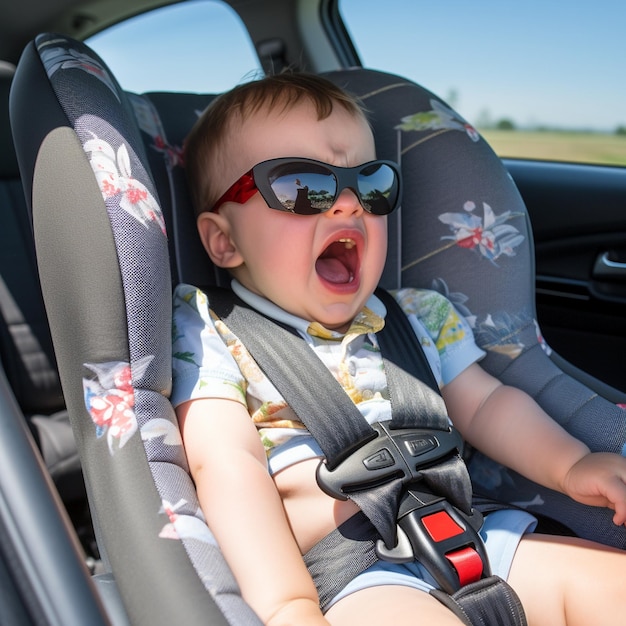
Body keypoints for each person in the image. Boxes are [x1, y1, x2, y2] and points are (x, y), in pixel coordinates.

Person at [172, 73, 626, 626]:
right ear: (224, 240)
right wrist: (286, 604)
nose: (346, 205)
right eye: (301, 187)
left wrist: (572, 464)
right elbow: (226, 466)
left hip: (472, 535)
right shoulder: (211, 331)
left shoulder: (418, 314)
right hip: (349, 576)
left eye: (371, 186)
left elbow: (487, 407)